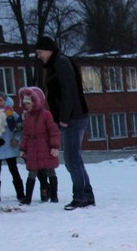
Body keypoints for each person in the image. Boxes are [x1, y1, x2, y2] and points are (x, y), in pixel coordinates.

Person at [34, 35, 94, 210]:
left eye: (39, 52)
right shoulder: (56, 64)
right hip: (73, 117)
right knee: (75, 158)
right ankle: (86, 195)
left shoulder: (61, 63)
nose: (39, 56)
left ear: (48, 50)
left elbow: (69, 91)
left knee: (71, 159)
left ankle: (81, 197)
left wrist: (65, 119)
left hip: (74, 118)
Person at [18, 86, 60, 204]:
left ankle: (54, 196)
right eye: (25, 103)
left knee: (50, 171)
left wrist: (54, 146)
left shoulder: (46, 115)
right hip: (32, 148)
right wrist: (23, 148)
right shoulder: (27, 116)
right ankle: (28, 198)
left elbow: (53, 131)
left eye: (28, 102)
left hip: (45, 147)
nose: (26, 105)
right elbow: (26, 134)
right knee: (32, 172)